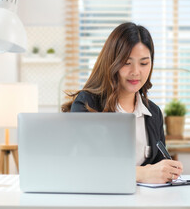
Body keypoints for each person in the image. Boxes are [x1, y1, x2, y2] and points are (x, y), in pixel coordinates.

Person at [62, 22, 183, 184]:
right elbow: (86, 167)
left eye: (144, 63)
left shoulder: (153, 113)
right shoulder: (87, 104)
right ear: (112, 62)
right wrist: (141, 174)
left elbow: (158, 168)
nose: (135, 72)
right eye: (127, 63)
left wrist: (168, 171)